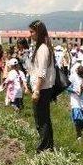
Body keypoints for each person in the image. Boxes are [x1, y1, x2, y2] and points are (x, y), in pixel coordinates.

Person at [28, 20, 56, 153]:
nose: (30, 34)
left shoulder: (43, 49)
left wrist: (37, 91)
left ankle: (45, 147)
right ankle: (48, 145)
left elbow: (42, 72)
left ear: (39, 32)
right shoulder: (43, 48)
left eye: (32, 32)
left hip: (42, 89)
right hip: (43, 88)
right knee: (43, 118)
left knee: (41, 119)